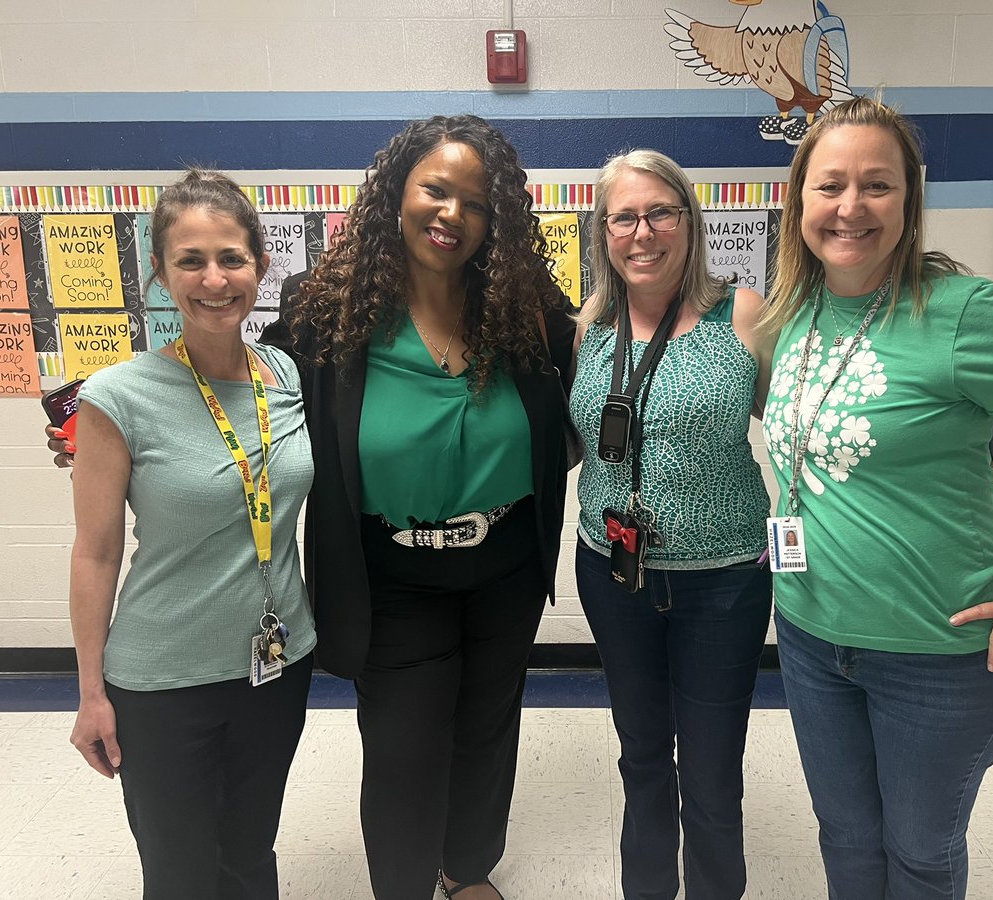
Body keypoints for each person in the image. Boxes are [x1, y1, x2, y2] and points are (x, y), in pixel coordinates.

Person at [760, 96, 993, 899]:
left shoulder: (964, 312)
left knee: (919, 855)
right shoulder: (794, 310)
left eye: (877, 185)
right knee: (848, 841)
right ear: (798, 202)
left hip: (942, 656)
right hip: (812, 639)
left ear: (910, 201)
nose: (850, 207)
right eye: (830, 186)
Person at [260, 114, 574, 900]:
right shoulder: (323, 312)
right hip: (391, 574)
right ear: (397, 192)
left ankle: (467, 872)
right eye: (436, 190)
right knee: (403, 750)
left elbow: (601, 374)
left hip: (504, 564)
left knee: (488, 732)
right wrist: (115, 422)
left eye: (476, 203)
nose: (452, 215)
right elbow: (240, 390)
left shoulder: (525, 304)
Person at [64, 169, 316, 899]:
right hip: (160, 681)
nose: (214, 279)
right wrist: (89, 693)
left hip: (276, 664)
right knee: (178, 873)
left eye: (232, 258)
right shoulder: (117, 395)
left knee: (249, 854)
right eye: (191, 261)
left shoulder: (286, 374)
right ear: (160, 275)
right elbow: (96, 551)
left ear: (261, 267)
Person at [568, 149, 774, 900]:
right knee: (643, 756)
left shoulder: (742, 314)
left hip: (724, 582)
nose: (642, 232)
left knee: (714, 772)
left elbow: (812, 416)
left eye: (661, 212)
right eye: (624, 216)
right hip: (613, 572)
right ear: (603, 232)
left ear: (689, 222)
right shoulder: (588, 327)